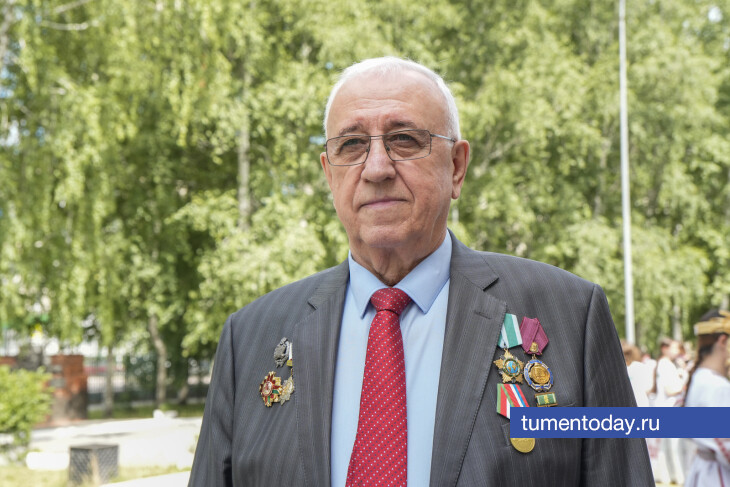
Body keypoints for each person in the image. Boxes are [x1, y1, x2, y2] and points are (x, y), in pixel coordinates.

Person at [188, 57, 653, 486]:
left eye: (404, 140)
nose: (376, 168)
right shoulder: (250, 338)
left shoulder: (571, 317)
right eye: (352, 144)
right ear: (329, 174)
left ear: (457, 166)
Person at [684, 310, 730, 487]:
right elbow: (725, 443)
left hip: (704, 471)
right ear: (723, 341)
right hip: (716, 476)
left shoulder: (700, 377)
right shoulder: (716, 386)